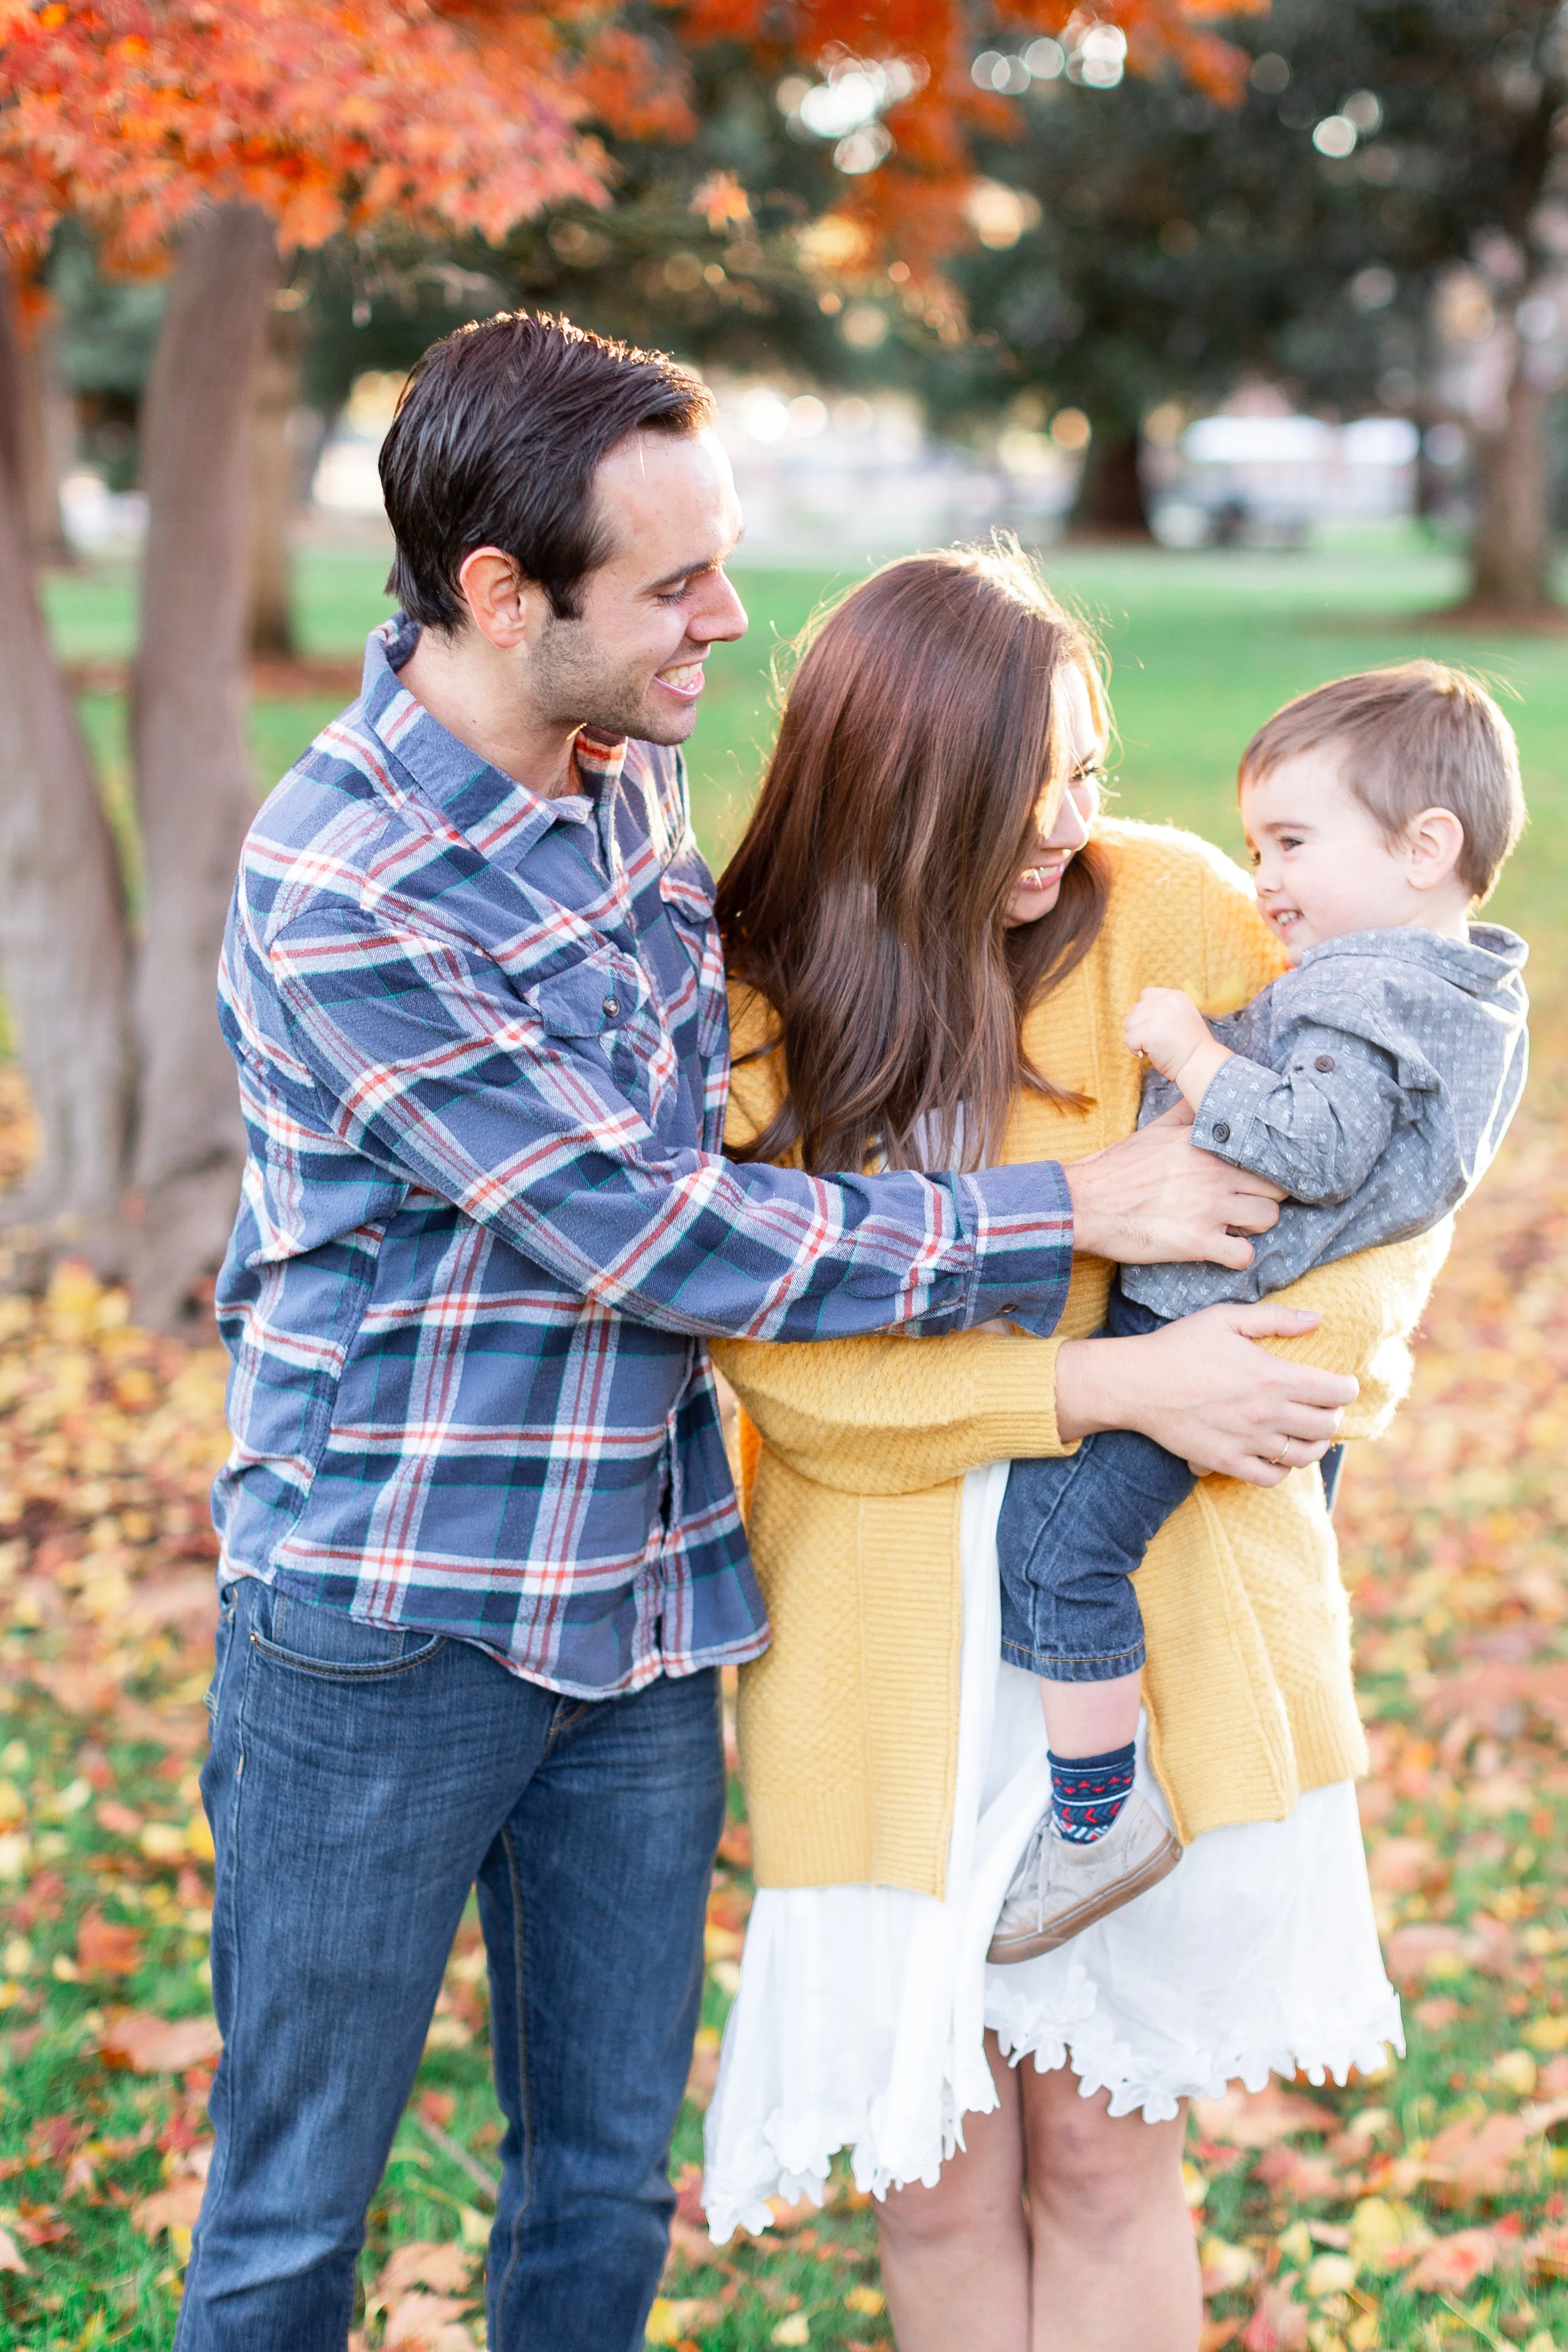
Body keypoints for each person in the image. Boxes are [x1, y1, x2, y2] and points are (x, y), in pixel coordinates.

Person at [181, 319, 1288, 2352]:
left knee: (602, 2176)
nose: (728, 618)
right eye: (676, 583)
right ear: (506, 599)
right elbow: (659, 1230)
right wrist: (1072, 1212)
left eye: (724, 556)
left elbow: (778, 1037)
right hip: (395, 1612)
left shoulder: (627, 764)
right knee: (291, 2212)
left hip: (651, 1602)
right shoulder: (349, 890)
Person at [702, 543, 1451, 2352]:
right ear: (890, 782)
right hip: (875, 1651)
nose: (1064, 829)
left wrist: (1284, 1372)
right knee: (939, 2170)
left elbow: (1371, 1189)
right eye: (1015, 795)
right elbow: (781, 1358)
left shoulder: (1177, 911)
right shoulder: (764, 986)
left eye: (1087, 775)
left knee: (1105, 2158)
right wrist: (1120, 1384)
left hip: (1131, 1623)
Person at [988, 663, 1528, 1964]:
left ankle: (1092, 1819)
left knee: (1055, 1553)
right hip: (1230, 1329)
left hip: (1194, 1333)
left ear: (1422, 848)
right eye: (1252, 846)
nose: (1262, 880)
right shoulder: (1461, 996)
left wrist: (1187, 1052)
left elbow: (1319, 1140)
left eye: (1289, 843)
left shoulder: (1363, 989)